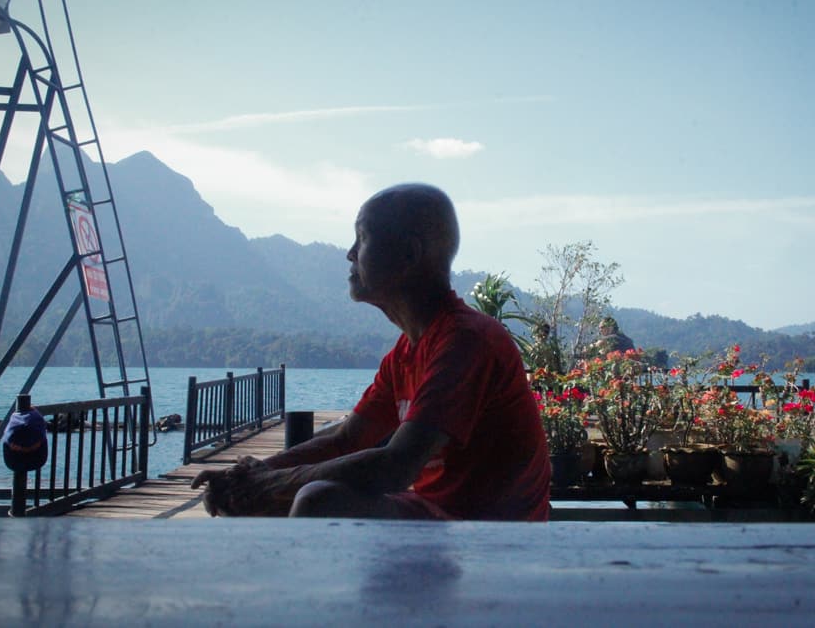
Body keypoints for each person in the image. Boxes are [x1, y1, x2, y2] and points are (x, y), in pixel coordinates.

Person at [191, 183, 551, 521]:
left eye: (362, 238)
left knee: (318, 500)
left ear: (409, 253)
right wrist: (257, 474)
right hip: (441, 520)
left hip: (491, 539)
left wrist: (272, 483)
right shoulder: (407, 352)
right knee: (278, 499)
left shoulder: (467, 342)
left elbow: (396, 465)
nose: (349, 253)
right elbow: (347, 439)